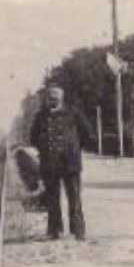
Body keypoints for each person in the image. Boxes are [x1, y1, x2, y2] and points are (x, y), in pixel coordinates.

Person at [28, 85, 93, 241]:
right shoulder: (40, 117)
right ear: (47, 99)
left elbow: (87, 133)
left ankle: (78, 231)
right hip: (49, 163)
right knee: (52, 199)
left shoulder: (73, 114)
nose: (53, 99)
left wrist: (74, 148)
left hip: (70, 163)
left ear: (62, 98)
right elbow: (33, 138)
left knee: (75, 198)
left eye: (56, 96)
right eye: (50, 97)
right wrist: (44, 151)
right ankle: (54, 231)